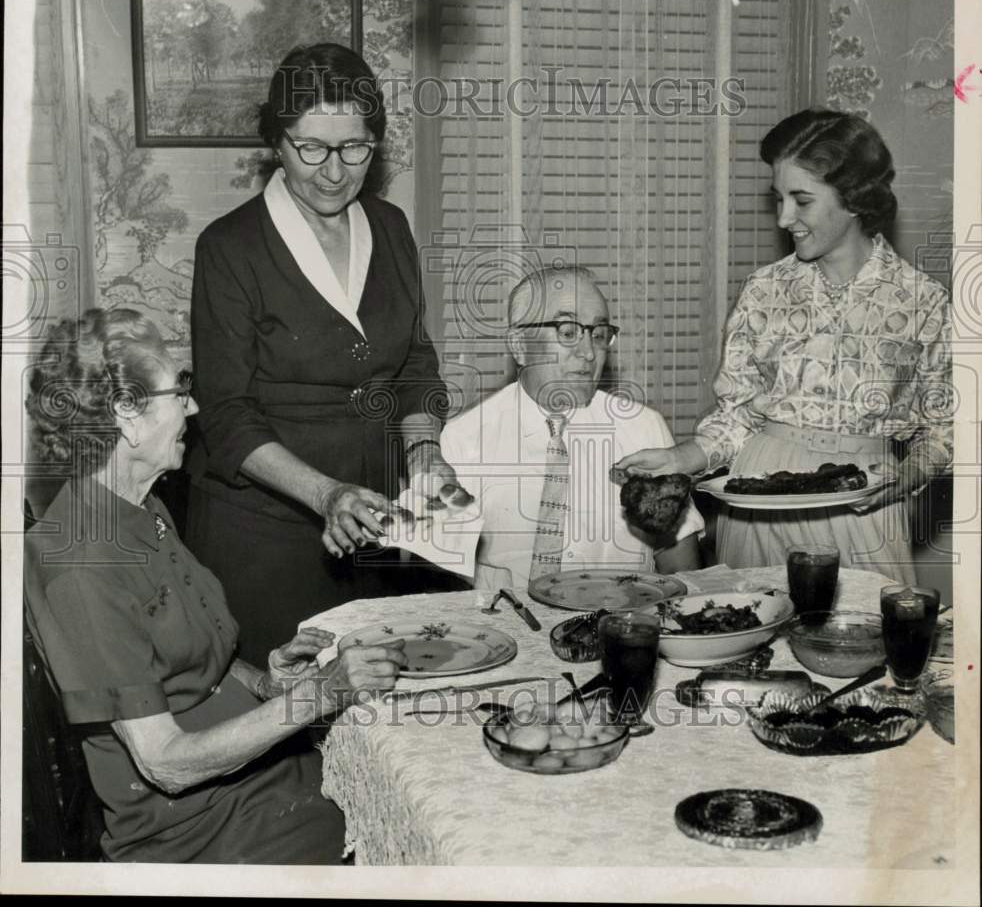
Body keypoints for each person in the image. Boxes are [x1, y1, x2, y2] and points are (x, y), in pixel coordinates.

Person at [24, 309, 406, 864]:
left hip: (255, 780)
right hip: (197, 829)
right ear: (126, 413)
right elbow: (165, 764)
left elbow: (184, 666)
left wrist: (267, 681)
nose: (194, 406)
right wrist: (320, 694)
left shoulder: (140, 507)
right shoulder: (81, 567)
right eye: (179, 391)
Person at [186, 43, 468, 666]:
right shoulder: (229, 248)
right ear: (275, 142)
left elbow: (415, 367)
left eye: (355, 148)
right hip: (267, 542)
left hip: (379, 532)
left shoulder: (391, 228)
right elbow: (226, 417)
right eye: (311, 148)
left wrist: (424, 455)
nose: (334, 172)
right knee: (287, 726)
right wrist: (326, 495)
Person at [616, 108, 953, 581]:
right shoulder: (764, 290)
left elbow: (943, 430)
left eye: (801, 200)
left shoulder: (923, 301)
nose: (783, 217)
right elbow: (737, 418)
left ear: (855, 199)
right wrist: (680, 458)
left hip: (862, 506)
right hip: (758, 500)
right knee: (749, 636)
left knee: (866, 642)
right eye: (779, 199)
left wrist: (909, 475)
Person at [439, 266, 703, 590]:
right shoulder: (463, 439)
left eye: (599, 334)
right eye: (567, 331)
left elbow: (681, 570)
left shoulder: (644, 429)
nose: (589, 352)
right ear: (519, 344)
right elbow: (445, 584)